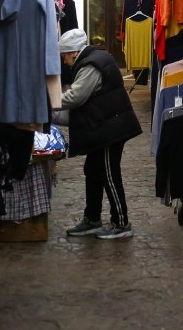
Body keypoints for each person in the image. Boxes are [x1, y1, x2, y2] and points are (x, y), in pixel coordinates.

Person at [55, 28, 142, 239]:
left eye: (65, 56)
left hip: (109, 129)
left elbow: (76, 97)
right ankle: (92, 218)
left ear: (73, 53)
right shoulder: (95, 59)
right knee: (93, 170)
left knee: (108, 173)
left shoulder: (90, 65)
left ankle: (121, 223)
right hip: (105, 126)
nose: (65, 61)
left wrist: (47, 101)